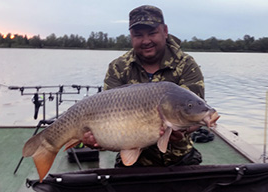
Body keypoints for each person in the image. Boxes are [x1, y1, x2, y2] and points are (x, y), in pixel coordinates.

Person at [83, 5, 205, 167]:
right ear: (131, 36)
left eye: (152, 33)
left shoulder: (186, 65)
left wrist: (182, 131)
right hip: (132, 161)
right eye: (138, 35)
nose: (146, 41)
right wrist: (96, 139)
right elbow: (109, 122)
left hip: (179, 158)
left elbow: (197, 115)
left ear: (165, 31)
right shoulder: (118, 68)